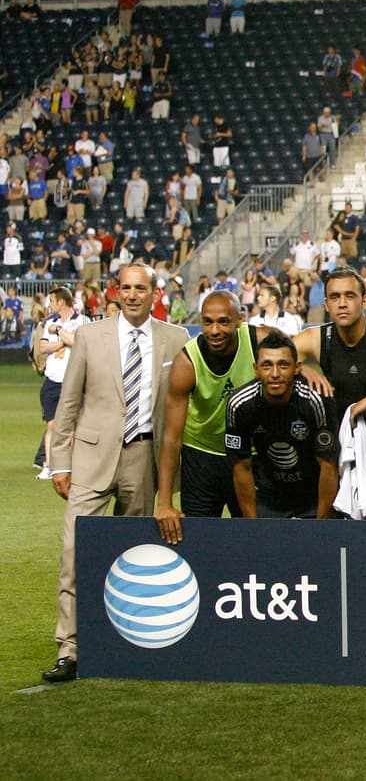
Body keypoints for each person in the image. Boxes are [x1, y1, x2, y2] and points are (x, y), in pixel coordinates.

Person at [42, 263, 189, 683]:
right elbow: (68, 403)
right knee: (74, 553)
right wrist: (61, 463)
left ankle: (123, 643)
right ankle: (69, 649)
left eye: (140, 288)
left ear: (154, 293)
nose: (132, 294)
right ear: (116, 291)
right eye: (125, 287)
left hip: (143, 457)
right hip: (90, 458)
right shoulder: (90, 335)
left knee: (132, 556)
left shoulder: (176, 339)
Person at [154, 292, 273, 541]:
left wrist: (303, 367)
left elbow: (293, 352)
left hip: (250, 457)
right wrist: (164, 502)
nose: (214, 330)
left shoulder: (259, 340)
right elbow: (172, 437)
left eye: (223, 321)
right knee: (199, 542)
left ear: (240, 320)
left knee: (256, 540)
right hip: (202, 458)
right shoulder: (187, 361)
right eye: (207, 322)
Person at [224, 331, 339, 518]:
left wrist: (322, 524)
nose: (275, 374)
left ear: (297, 368)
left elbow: (328, 465)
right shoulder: (240, 405)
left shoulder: (317, 399)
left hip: (313, 493)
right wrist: (252, 524)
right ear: (256, 369)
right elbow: (241, 467)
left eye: (283, 365)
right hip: (269, 494)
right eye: (267, 365)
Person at [291, 267, 366, 418]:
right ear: (326, 304)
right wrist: (301, 368)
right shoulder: (316, 338)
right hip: (338, 430)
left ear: (364, 301)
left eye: (350, 296)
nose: (342, 304)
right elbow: (272, 359)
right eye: (335, 297)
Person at [36, 287, 92, 480]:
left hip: (74, 381)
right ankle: (49, 466)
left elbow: (78, 340)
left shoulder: (83, 320)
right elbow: (43, 347)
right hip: (52, 380)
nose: (49, 304)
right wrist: (63, 341)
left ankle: (74, 465)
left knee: (76, 425)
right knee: (51, 425)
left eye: (51, 300)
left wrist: (59, 332)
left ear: (61, 302)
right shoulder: (49, 322)